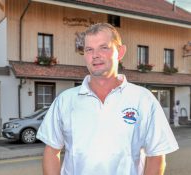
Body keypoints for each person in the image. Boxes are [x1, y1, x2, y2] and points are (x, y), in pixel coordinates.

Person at [36, 23, 179, 175]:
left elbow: (156, 156)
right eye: (89, 49)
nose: (95, 55)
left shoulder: (143, 99)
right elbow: (51, 151)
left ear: (120, 52)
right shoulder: (65, 100)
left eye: (104, 47)